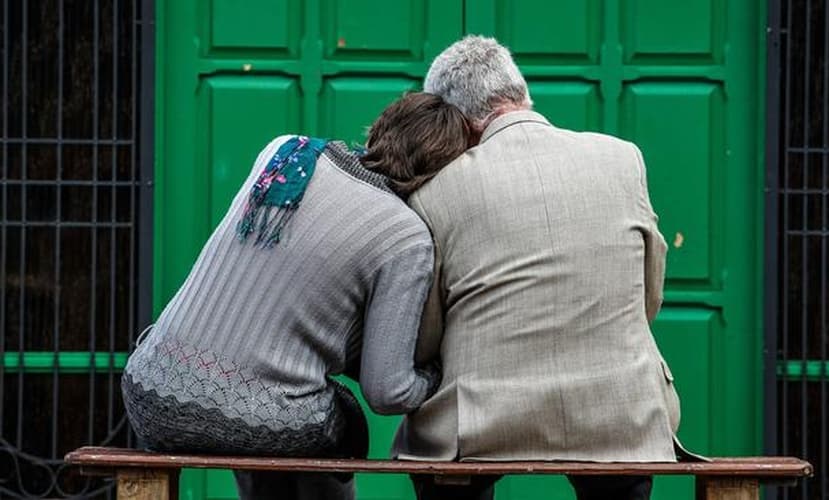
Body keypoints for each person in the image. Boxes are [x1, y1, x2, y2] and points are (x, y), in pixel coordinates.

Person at [121, 92, 471, 500]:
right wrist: (433, 380)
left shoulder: (286, 152)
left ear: (379, 129)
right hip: (250, 417)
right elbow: (386, 392)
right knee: (335, 423)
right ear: (440, 174)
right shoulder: (405, 236)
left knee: (265, 406)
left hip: (148, 391)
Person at [387, 36, 682, 500]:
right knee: (624, 460)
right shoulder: (622, 158)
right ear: (521, 91)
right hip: (620, 411)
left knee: (438, 467)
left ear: (456, 121)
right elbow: (648, 296)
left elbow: (427, 334)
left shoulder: (434, 192)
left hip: (482, 420)